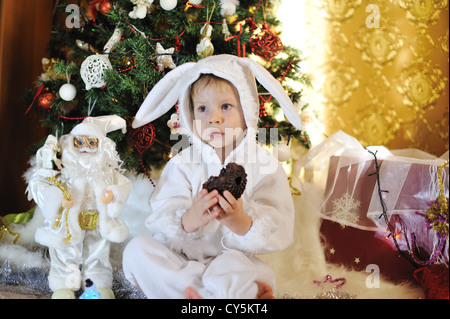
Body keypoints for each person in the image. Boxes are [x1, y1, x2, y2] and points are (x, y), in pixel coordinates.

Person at [123, 54, 303, 299]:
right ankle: (205, 297)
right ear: (189, 115)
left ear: (247, 110)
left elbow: (280, 224)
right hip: (185, 263)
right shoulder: (183, 163)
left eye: (226, 106)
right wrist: (187, 220)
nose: (214, 118)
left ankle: (212, 296)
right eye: (202, 108)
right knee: (137, 251)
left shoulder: (265, 164)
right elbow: (163, 210)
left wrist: (241, 222)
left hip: (236, 263)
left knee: (234, 271)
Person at [24, 115, 132, 299]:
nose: (84, 146)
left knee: (97, 253)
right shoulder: (66, 169)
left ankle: (98, 284)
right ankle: (63, 285)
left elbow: (123, 184)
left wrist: (113, 194)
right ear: (71, 142)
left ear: (100, 145)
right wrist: (59, 200)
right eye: (79, 141)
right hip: (68, 222)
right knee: (65, 252)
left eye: (91, 142)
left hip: (97, 221)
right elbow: (49, 186)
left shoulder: (105, 172)